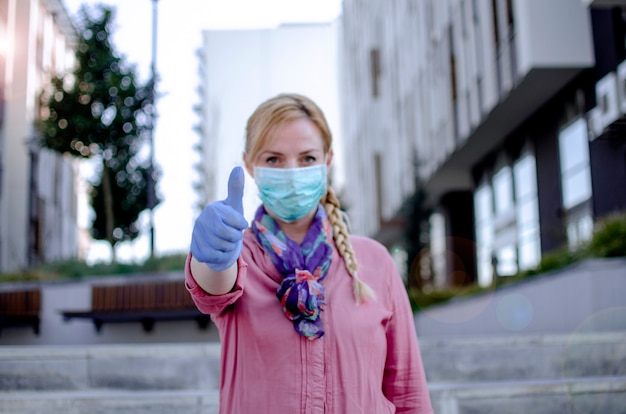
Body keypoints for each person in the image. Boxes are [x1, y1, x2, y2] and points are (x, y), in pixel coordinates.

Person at [185, 93, 433, 413]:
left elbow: (408, 392)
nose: (291, 172)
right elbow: (214, 285)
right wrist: (211, 256)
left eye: (307, 159)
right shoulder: (237, 253)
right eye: (273, 159)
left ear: (327, 161)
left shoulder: (375, 262)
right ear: (249, 165)